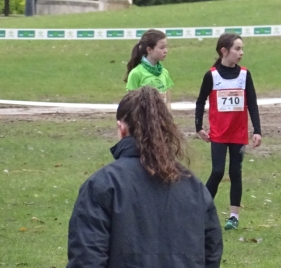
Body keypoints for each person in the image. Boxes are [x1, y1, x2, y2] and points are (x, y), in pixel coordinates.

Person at [66, 86, 222, 268]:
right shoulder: (194, 187)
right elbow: (211, 254)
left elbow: (86, 259)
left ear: (121, 128)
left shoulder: (103, 185)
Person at [195, 33, 262, 231]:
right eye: (237, 49)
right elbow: (200, 101)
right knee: (217, 171)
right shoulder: (212, 75)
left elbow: (252, 103)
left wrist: (257, 130)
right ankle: (201, 211)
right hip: (218, 133)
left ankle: (233, 216)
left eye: (242, 49)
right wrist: (198, 127)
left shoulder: (244, 75)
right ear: (224, 51)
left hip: (238, 134)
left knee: (235, 172)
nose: (241, 53)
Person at [124, 29, 174, 107]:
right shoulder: (136, 73)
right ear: (149, 50)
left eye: (165, 47)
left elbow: (167, 103)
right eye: (162, 47)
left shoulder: (164, 72)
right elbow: (131, 105)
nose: (166, 51)